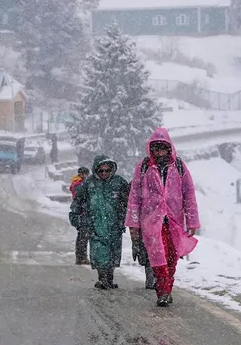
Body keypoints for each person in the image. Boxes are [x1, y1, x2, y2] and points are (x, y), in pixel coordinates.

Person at [126, 128, 201, 307]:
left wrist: (192, 220)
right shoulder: (144, 167)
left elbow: (189, 194)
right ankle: (163, 291)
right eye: (156, 149)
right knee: (158, 256)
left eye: (162, 148)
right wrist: (133, 224)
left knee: (171, 257)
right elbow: (134, 197)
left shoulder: (179, 167)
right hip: (151, 220)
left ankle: (167, 288)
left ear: (169, 148)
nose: (159, 152)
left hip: (174, 220)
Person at [69, 155, 130, 290]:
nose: (104, 173)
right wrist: (79, 221)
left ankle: (109, 277)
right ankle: (102, 278)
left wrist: (125, 217)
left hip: (114, 226)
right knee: (99, 253)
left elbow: (129, 200)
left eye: (107, 170)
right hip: (95, 225)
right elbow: (77, 203)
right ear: (96, 170)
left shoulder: (119, 183)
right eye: (101, 170)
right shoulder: (88, 184)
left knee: (113, 254)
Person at [70, 167, 91, 265]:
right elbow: (80, 195)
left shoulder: (78, 183)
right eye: (86, 174)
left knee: (82, 236)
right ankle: (81, 257)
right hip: (81, 213)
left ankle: (81, 256)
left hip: (82, 212)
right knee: (83, 236)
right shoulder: (78, 184)